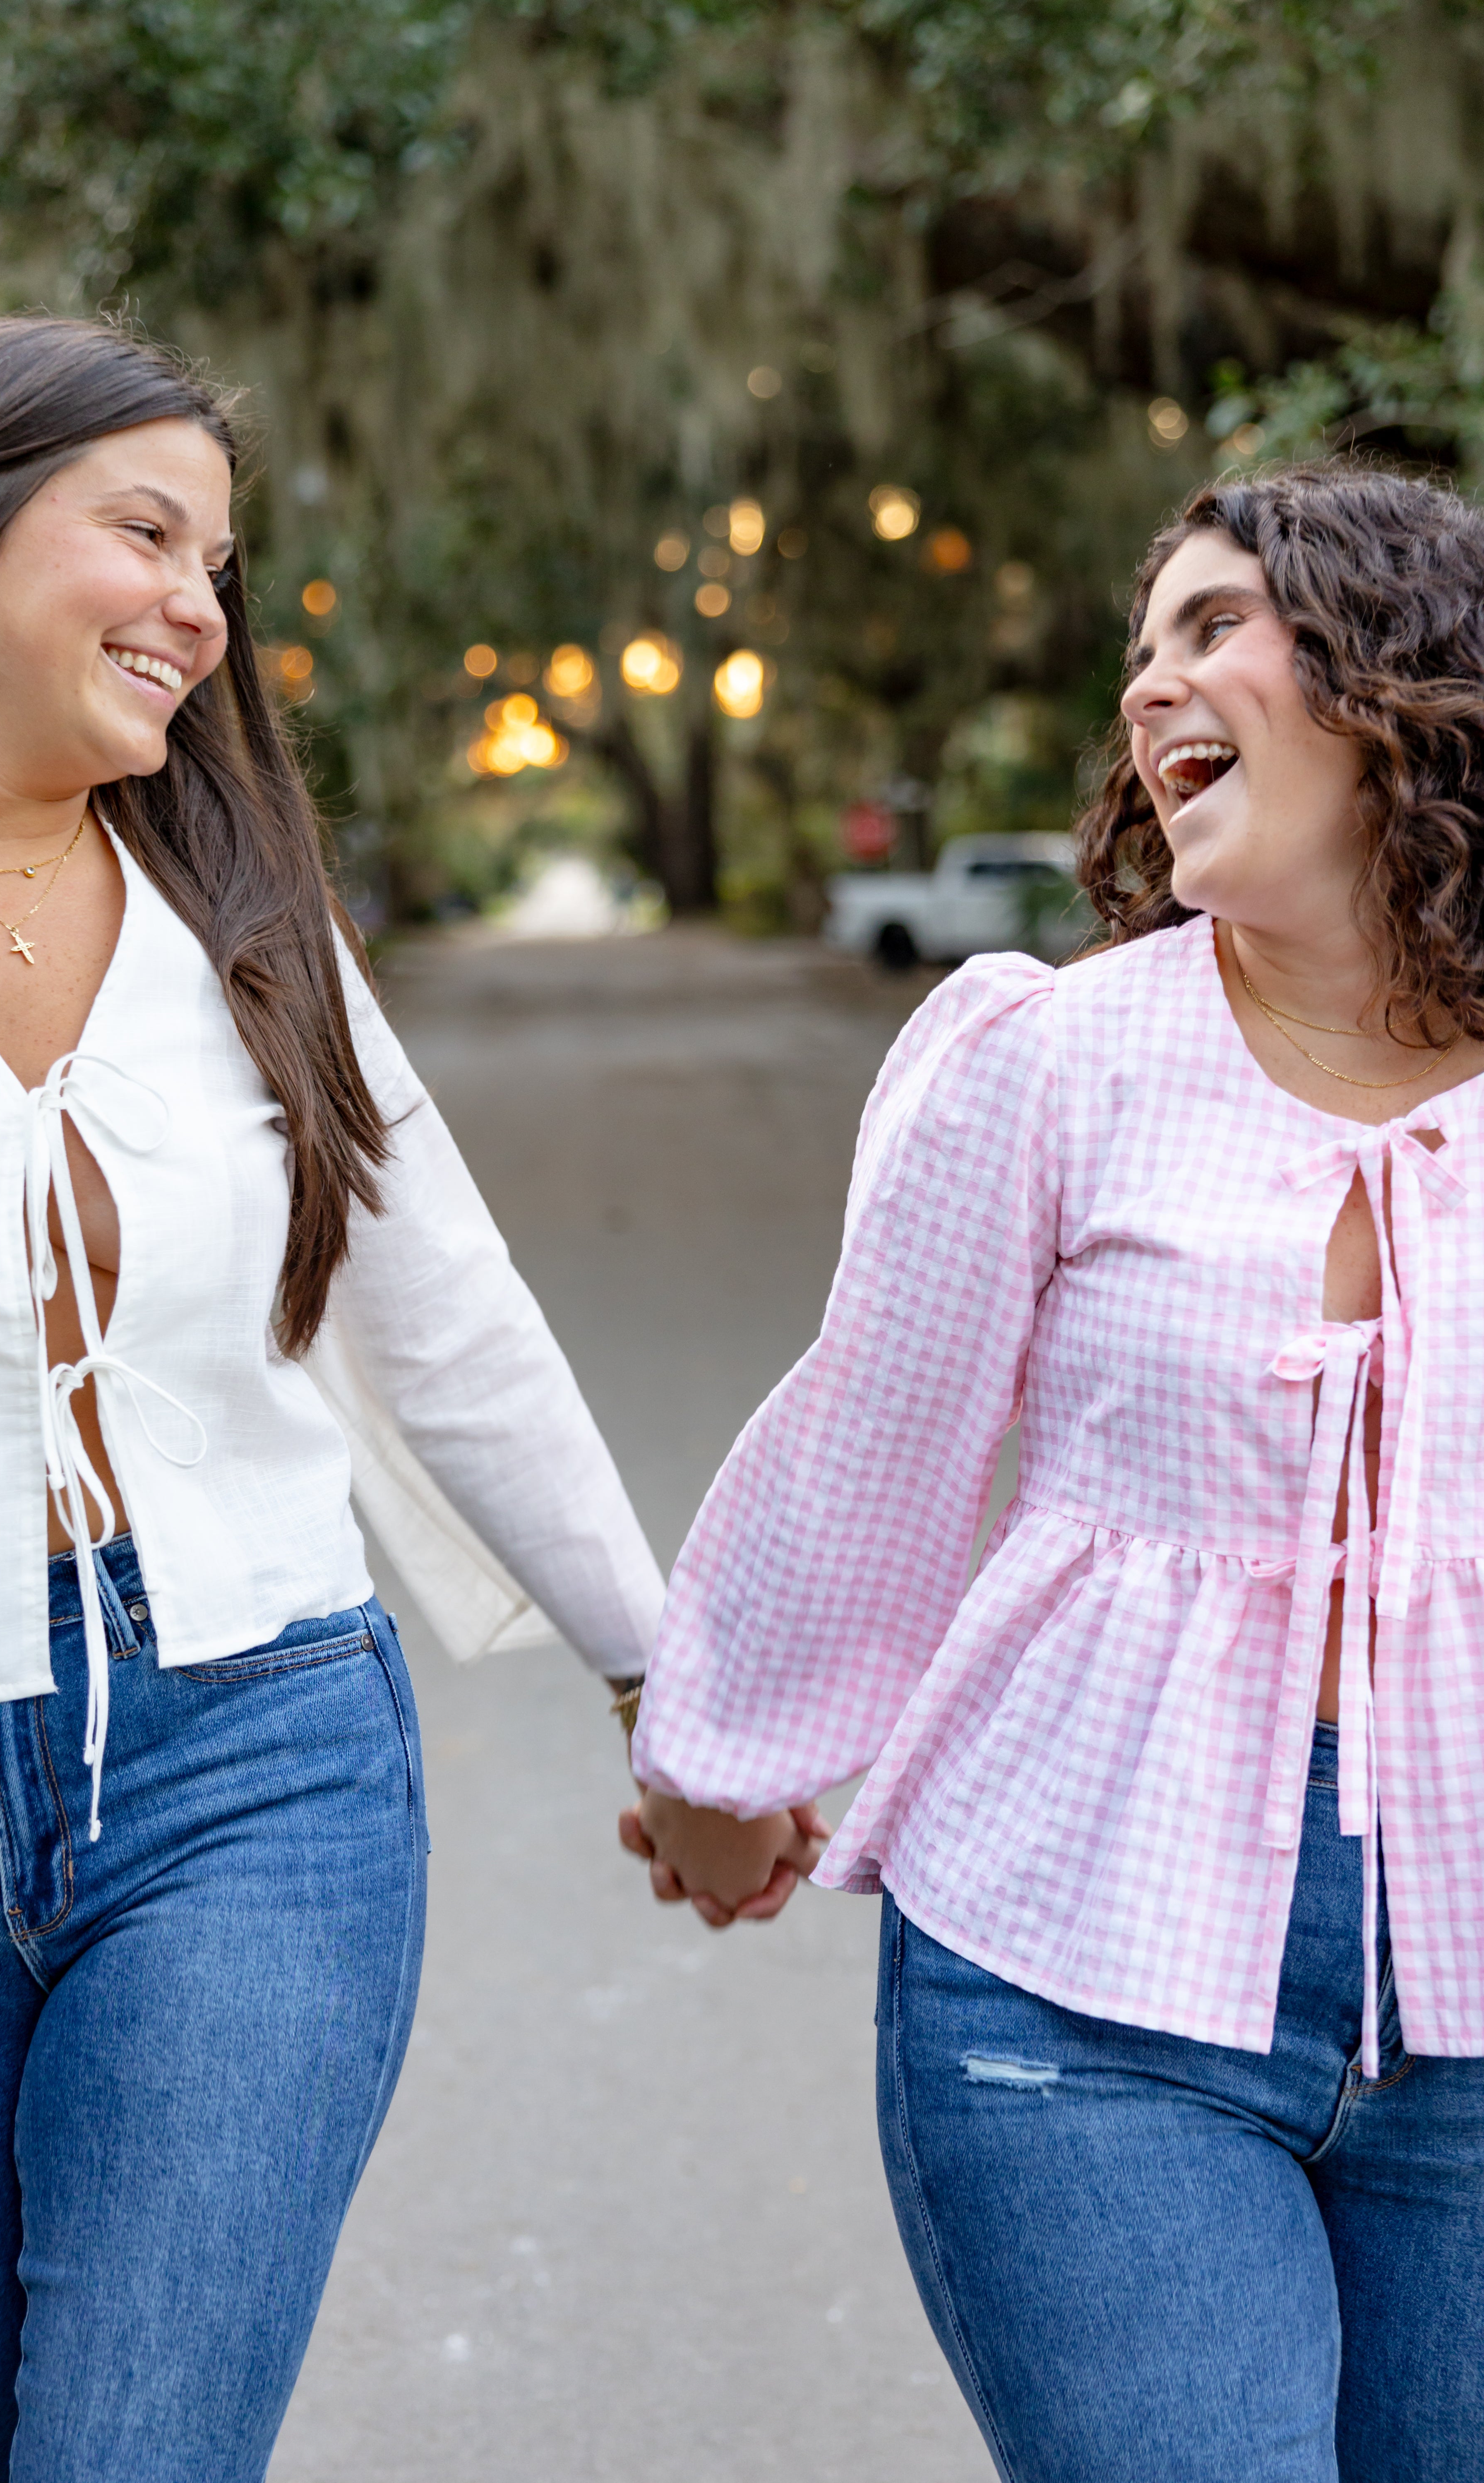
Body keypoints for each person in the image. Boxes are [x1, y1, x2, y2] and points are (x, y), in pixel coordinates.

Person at [0, 315, 664, 2483]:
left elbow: (444, 1311)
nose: (203, 608)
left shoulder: (243, 923)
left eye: (219, 558)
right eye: (148, 533)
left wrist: (667, 1683)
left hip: (248, 1769)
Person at [623, 463, 1484, 2479]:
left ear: (1396, 683)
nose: (1149, 689)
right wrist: (722, 1772)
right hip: (1077, 1975)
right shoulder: (1048, 1057)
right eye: (1137, 653)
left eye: (1212, 628)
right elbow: (878, 1447)